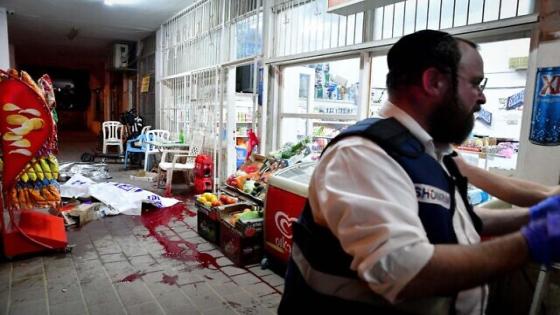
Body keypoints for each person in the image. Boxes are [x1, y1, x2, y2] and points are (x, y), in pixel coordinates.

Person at [278, 29, 560, 315]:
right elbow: (402, 269)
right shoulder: (363, 155)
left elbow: (451, 219)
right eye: (475, 83)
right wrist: (528, 243)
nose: (482, 98)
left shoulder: (432, 151)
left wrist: (532, 217)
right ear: (434, 82)